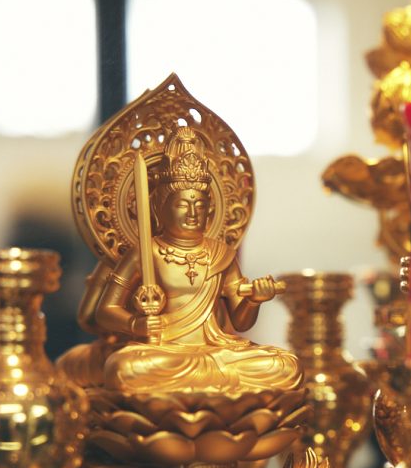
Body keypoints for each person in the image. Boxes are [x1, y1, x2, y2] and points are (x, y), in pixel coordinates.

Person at [82, 127, 299, 394]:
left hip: (217, 351)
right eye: (183, 205)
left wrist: (254, 300)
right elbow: (106, 310)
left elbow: (241, 322)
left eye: (201, 205)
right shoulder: (146, 252)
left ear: (211, 209)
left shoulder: (221, 253)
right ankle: (216, 389)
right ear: (160, 207)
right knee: (124, 368)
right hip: (165, 353)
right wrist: (135, 324)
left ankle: (198, 386)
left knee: (284, 364)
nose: (193, 213)